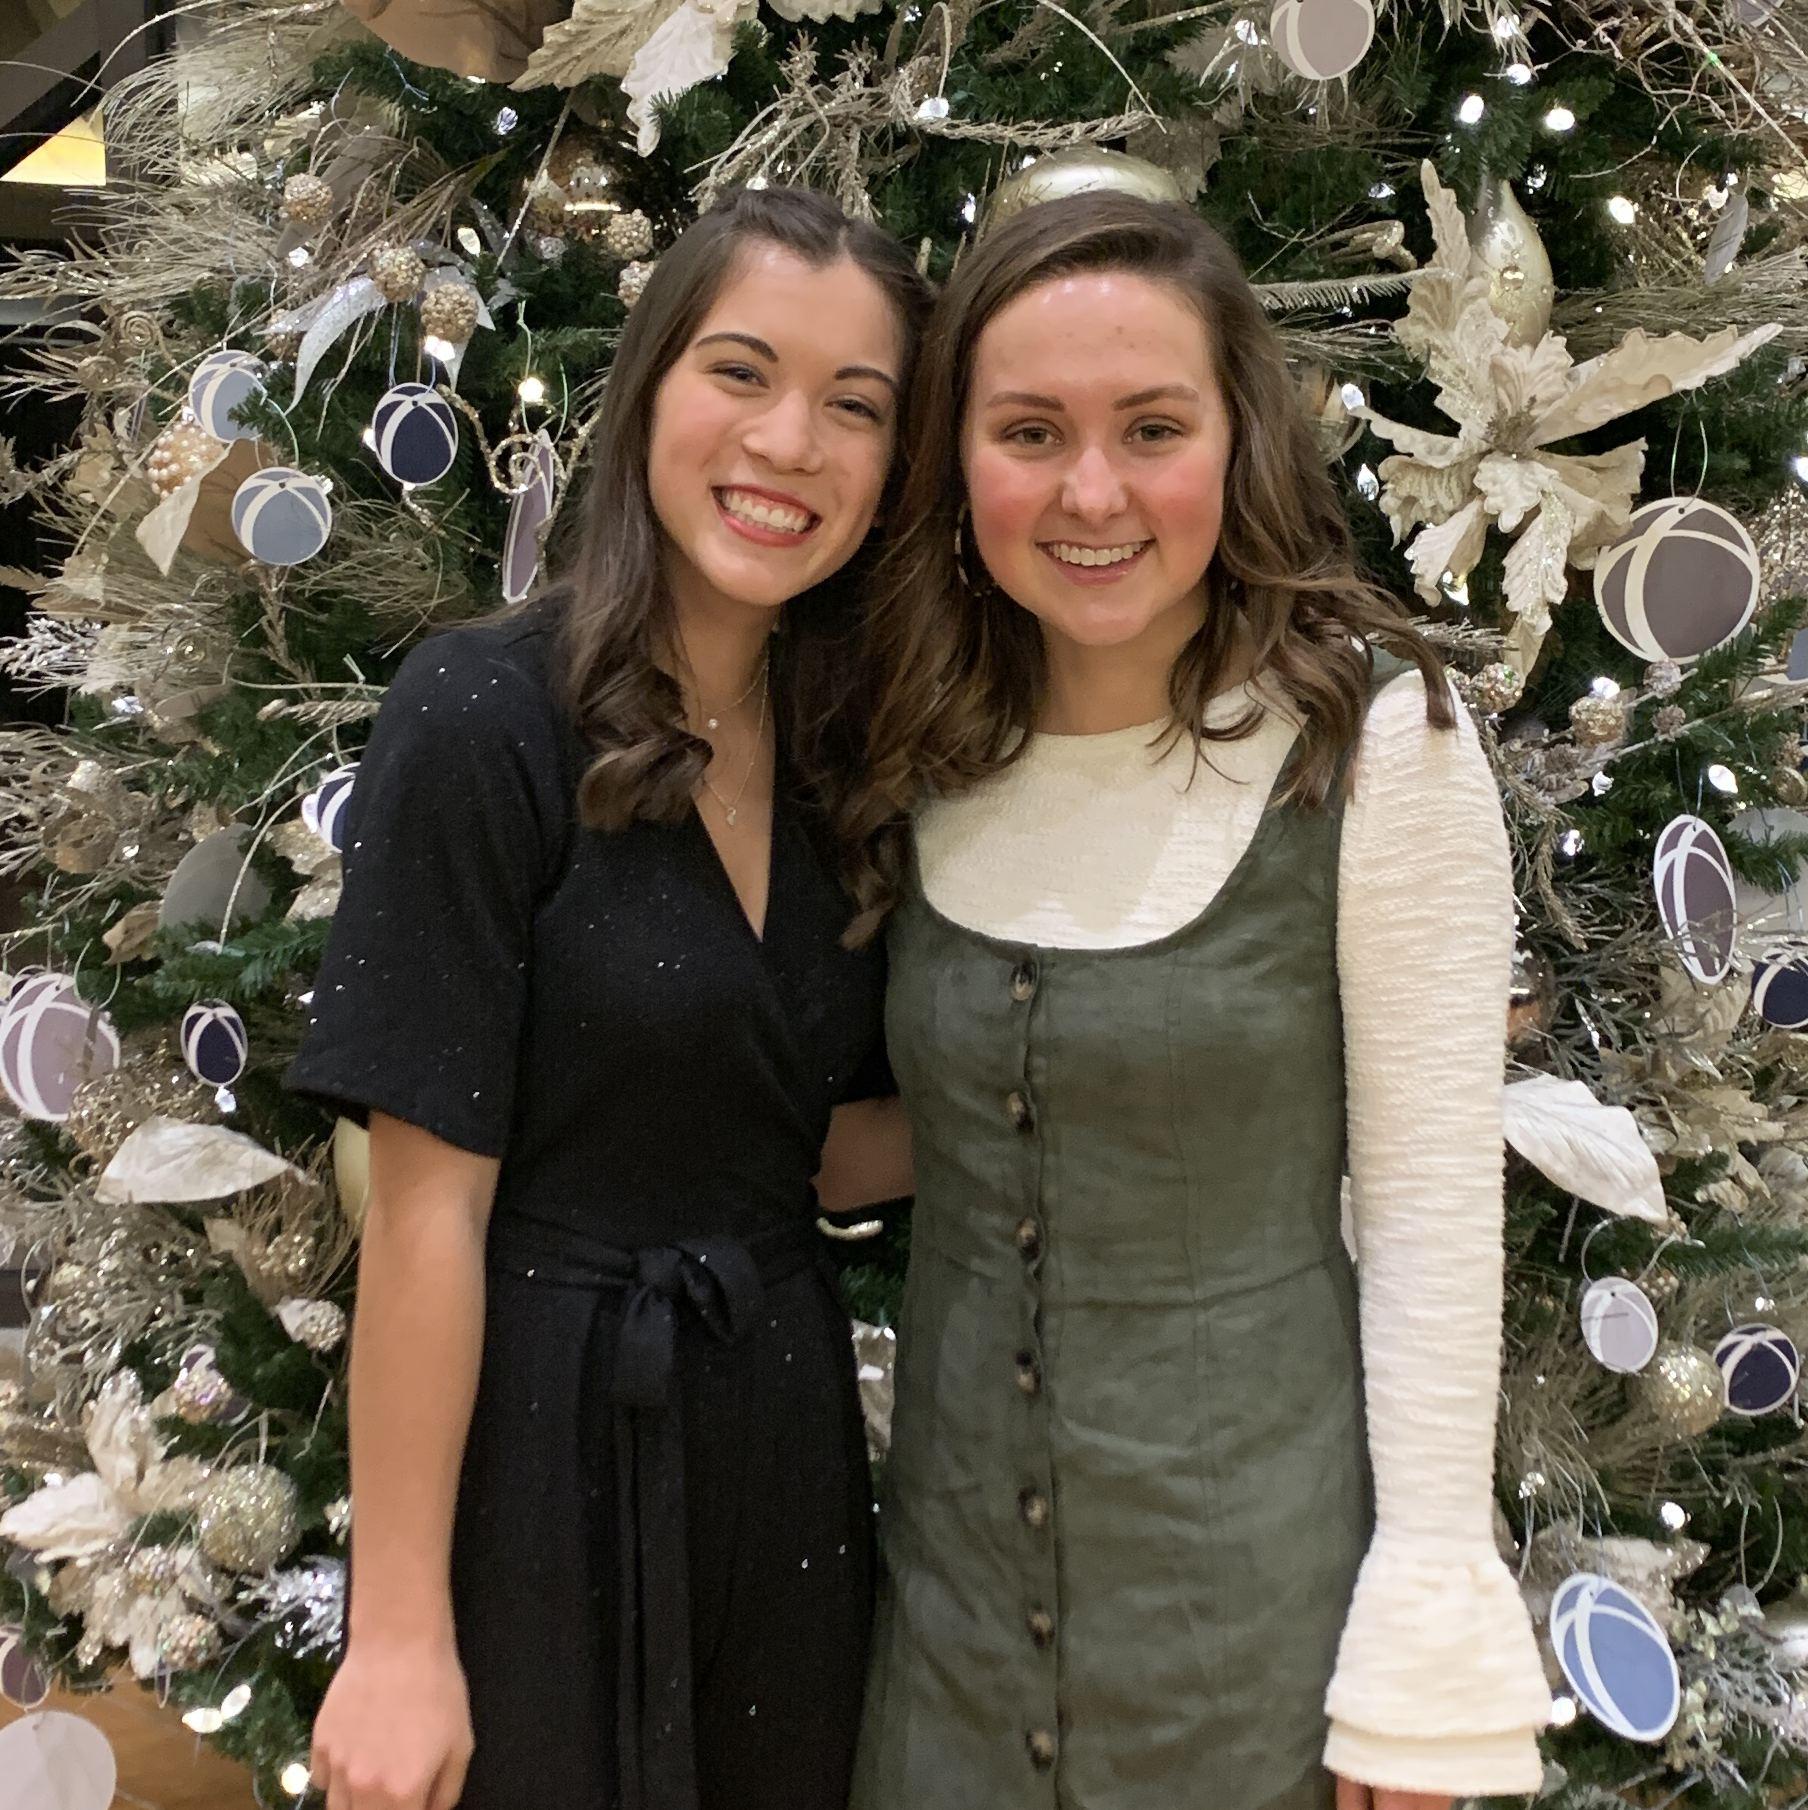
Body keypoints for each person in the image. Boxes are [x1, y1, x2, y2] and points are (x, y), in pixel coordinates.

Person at [843, 188, 1551, 1810]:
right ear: (959, 456)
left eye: (1152, 428)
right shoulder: (920, 745)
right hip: (945, 1647)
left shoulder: (1381, 744)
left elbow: (1432, 1214)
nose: (1091, 491)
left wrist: (1418, 1668)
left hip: (1253, 1651)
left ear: (1239, 441)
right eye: (1030, 431)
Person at [286, 184, 927, 1810]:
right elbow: (425, 1213)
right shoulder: (484, 713)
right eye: (742, 372)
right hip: (541, 1443)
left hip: (781, 1436)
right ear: (648, 389)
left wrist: (1085, 1101)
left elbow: (806, 1145)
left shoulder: (859, 756)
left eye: (855, 405)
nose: (789, 442)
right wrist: (399, 1631)